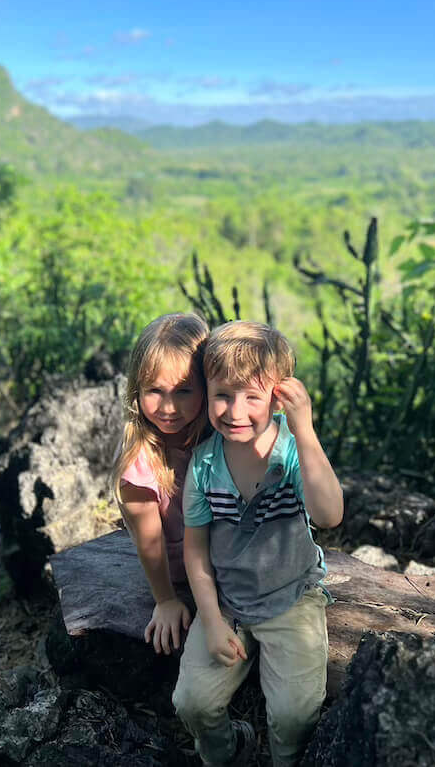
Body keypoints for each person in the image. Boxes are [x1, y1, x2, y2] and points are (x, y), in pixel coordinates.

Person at [173, 320, 344, 767]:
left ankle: (285, 760)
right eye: (222, 395)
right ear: (206, 392)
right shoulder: (205, 464)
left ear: (278, 395)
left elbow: (329, 515)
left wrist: (305, 430)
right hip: (228, 601)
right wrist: (210, 620)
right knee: (192, 702)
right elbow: (196, 549)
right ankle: (227, 752)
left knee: (293, 715)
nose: (235, 411)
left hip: (292, 598)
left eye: (253, 396)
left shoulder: (291, 453)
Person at [111, 312, 210, 655]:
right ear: (137, 389)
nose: (169, 407)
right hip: (181, 573)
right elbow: (150, 542)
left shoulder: (218, 435)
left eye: (184, 391)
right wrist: (166, 599)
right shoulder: (141, 462)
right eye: (155, 391)